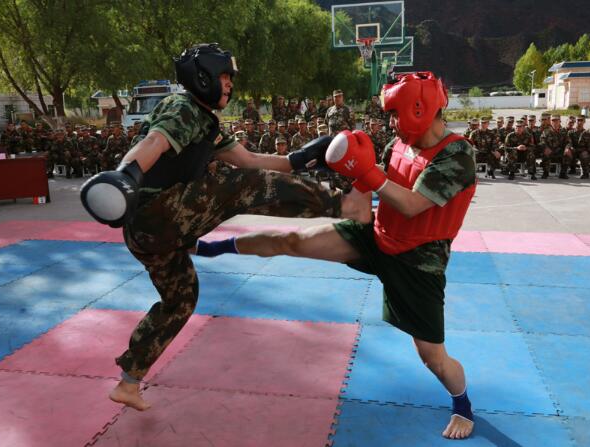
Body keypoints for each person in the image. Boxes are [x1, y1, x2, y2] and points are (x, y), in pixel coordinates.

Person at [79, 43, 370, 412]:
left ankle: (129, 382)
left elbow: (249, 158)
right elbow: (155, 142)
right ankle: (346, 205)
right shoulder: (182, 107)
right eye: (223, 77)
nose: (230, 85)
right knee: (237, 184)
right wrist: (126, 176)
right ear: (201, 78)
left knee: (181, 298)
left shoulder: (207, 123)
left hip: (152, 233)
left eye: (230, 78)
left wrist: (299, 158)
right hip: (159, 214)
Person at [195, 71, 477, 440]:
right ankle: (210, 247)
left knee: (433, 359)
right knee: (293, 241)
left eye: (395, 113)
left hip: (417, 263)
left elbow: (411, 205)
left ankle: (464, 407)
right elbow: (363, 208)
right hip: (376, 238)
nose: (391, 122)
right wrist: (347, 173)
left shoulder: (458, 155)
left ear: (420, 108)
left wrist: (365, 171)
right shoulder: (398, 144)